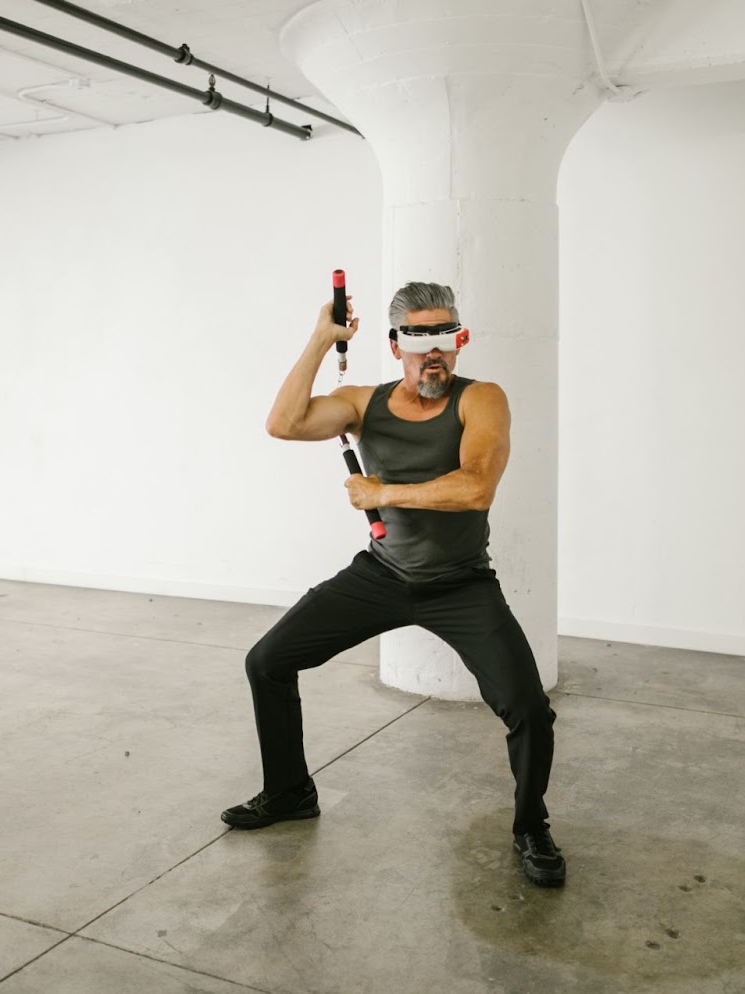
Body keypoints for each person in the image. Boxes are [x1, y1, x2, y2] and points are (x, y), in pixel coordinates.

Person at [220, 281, 564, 888]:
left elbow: (476, 487)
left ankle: (530, 825)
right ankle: (290, 791)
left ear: (459, 340)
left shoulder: (481, 399)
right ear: (395, 345)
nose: (434, 353)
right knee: (267, 662)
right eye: (419, 339)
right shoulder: (362, 402)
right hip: (381, 575)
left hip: (461, 584)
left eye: (445, 337)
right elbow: (284, 423)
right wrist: (322, 338)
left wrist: (384, 493)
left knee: (530, 709)